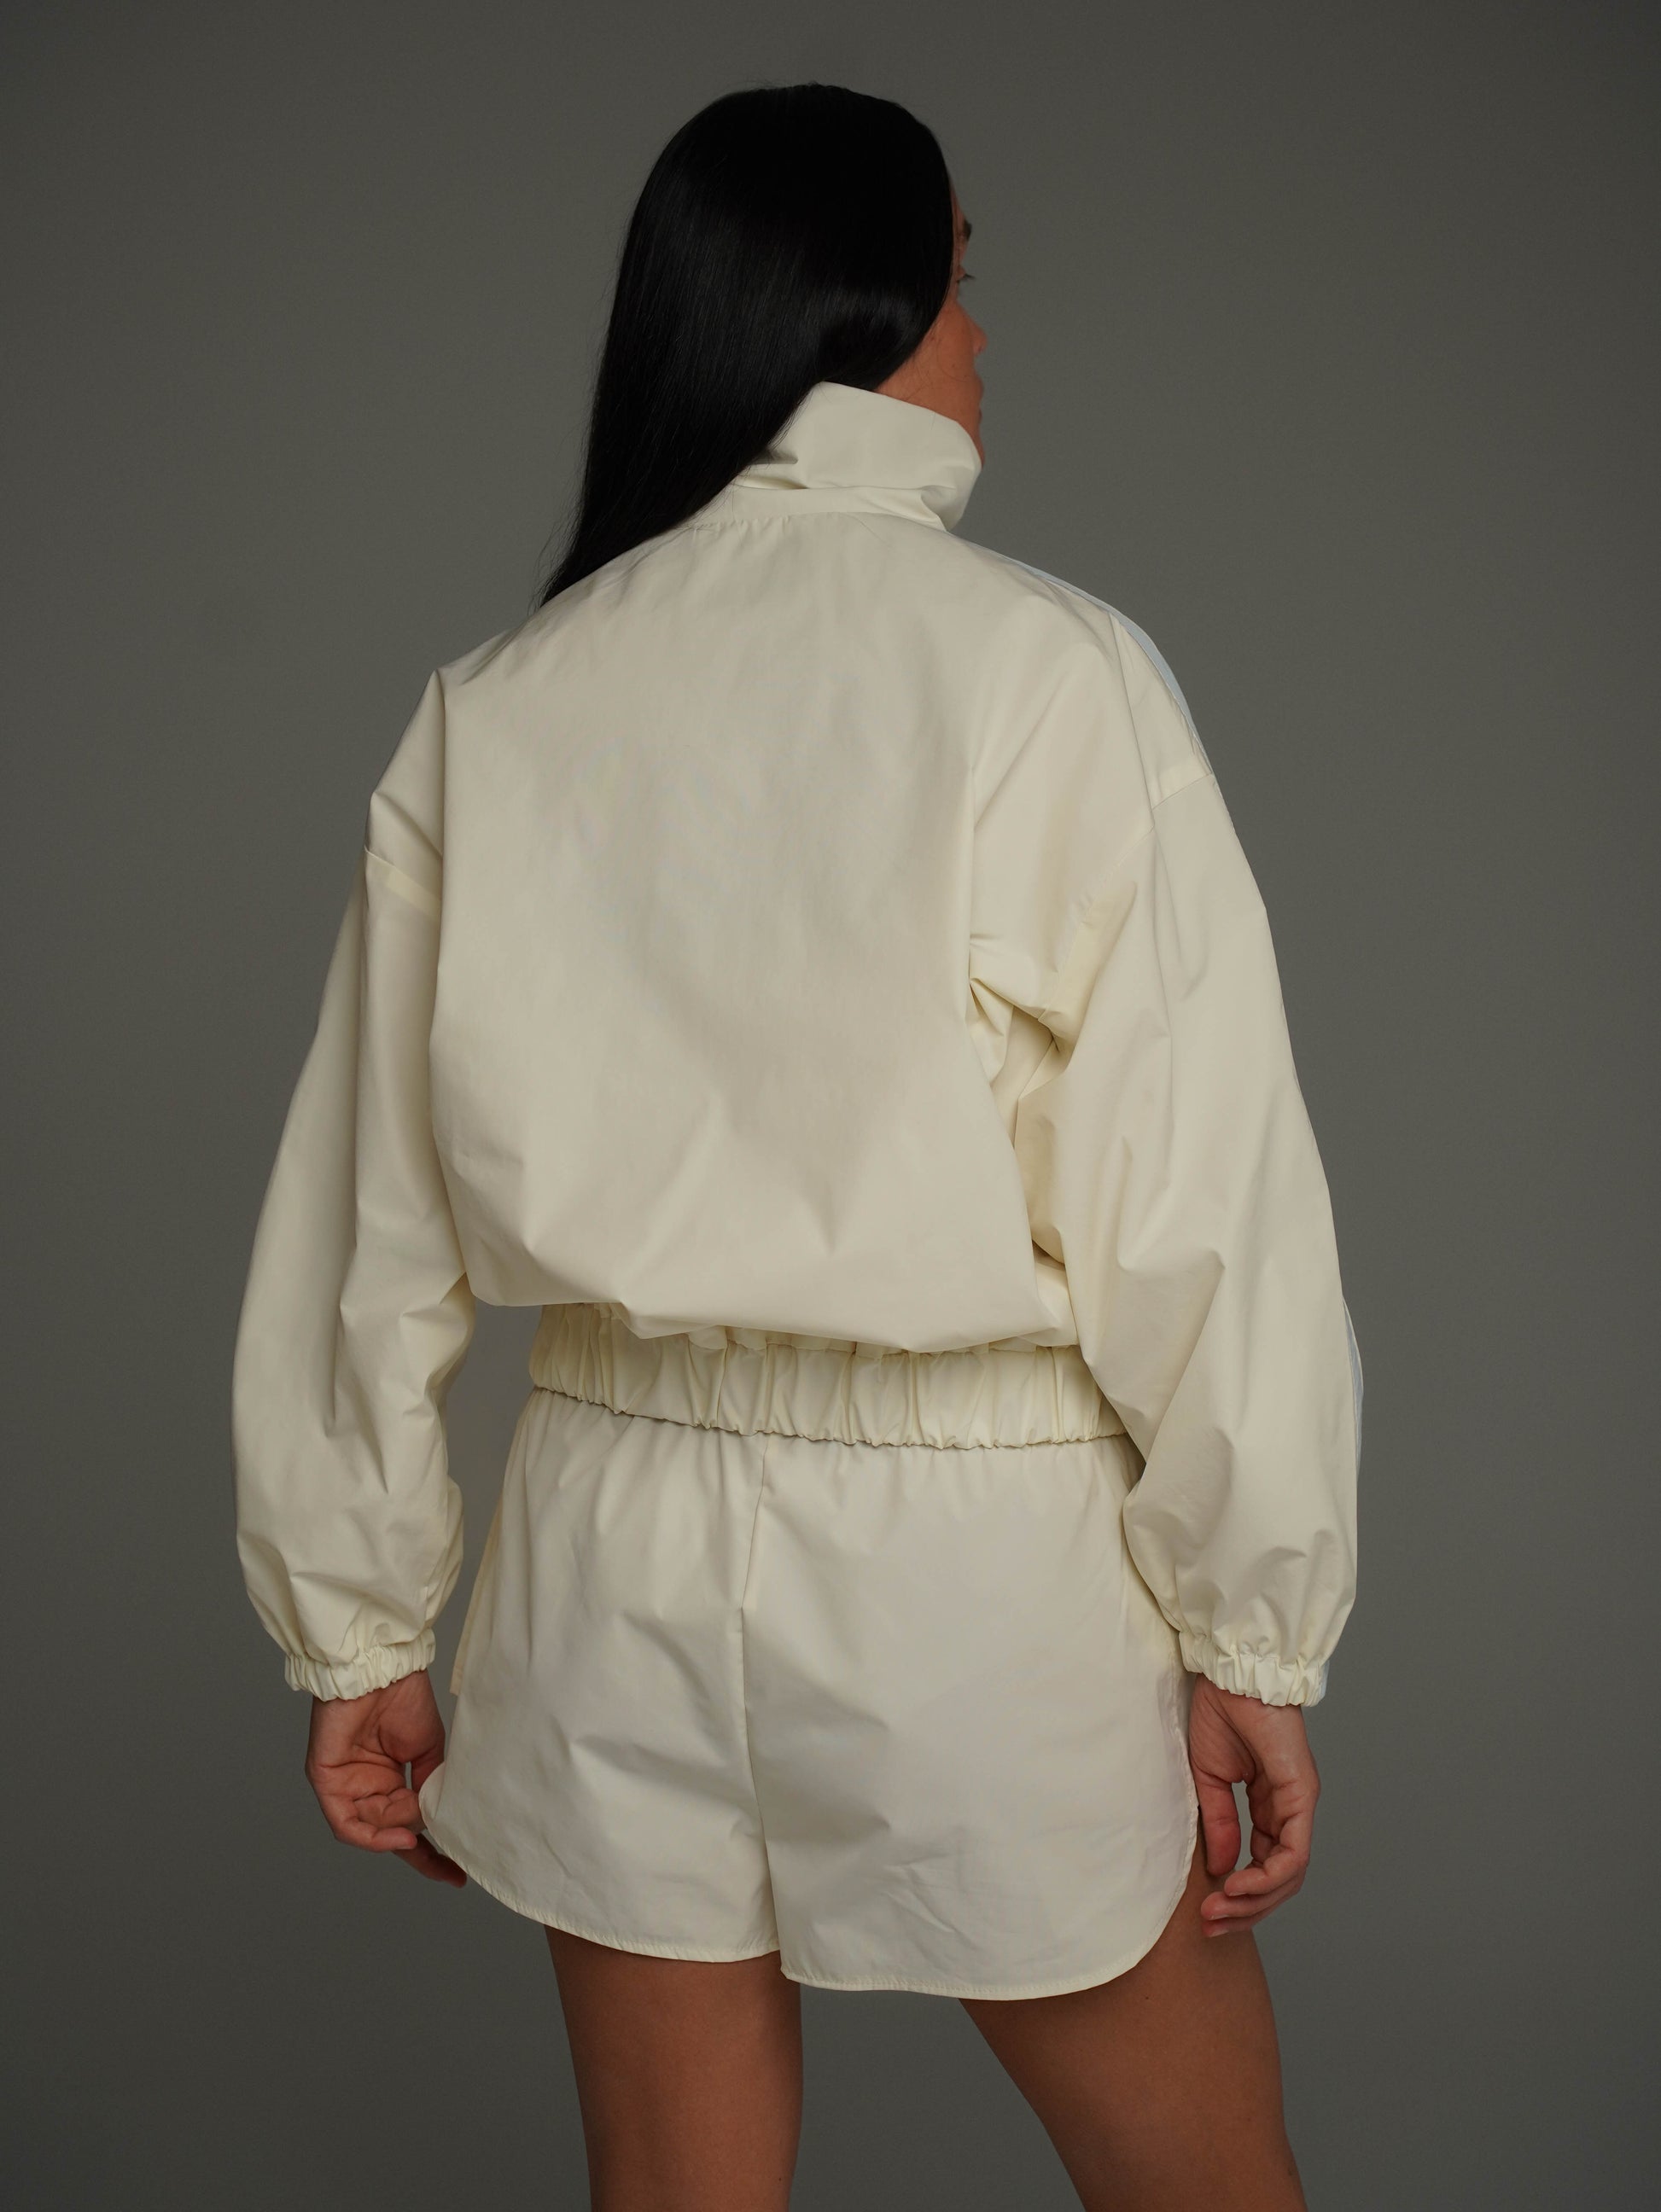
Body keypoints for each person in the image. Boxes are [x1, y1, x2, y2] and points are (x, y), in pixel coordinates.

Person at [232, 81, 1361, 2212]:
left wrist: (360, 1628)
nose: (981, 332)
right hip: (974, 1577)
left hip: (607, 1556)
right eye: (963, 278)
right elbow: (1192, 1205)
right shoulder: (1048, 673)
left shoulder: (503, 696)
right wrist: (1253, 1636)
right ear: (858, 301)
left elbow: (366, 1221)